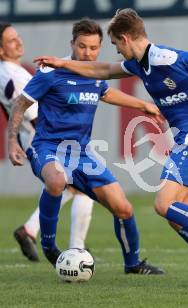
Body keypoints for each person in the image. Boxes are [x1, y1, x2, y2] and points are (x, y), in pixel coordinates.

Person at [34, 8, 188, 288]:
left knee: (163, 205)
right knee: (179, 217)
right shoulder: (138, 63)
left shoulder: (163, 56)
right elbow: (103, 70)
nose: (115, 51)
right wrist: (63, 65)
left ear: (125, 38)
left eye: (114, 44)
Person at [8, 18, 164, 275]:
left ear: (101, 47)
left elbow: (105, 93)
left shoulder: (94, 73)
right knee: (57, 182)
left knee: (123, 208)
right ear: (72, 43)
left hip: (81, 153)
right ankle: (48, 245)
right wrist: (13, 140)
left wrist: (143, 105)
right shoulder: (51, 72)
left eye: (93, 48)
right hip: (47, 146)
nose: (87, 53)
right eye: (82, 46)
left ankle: (133, 264)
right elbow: (21, 104)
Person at [0, 22, 95, 262]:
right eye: (11, 40)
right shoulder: (11, 75)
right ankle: (77, 250)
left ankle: (30, 230)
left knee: (68, 187)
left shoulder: (12, 72)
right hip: (44, 136)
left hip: (38, 135)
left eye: (18, 36)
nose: (19, 41)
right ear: (1, 50)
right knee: (81, 187)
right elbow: (32, 115)